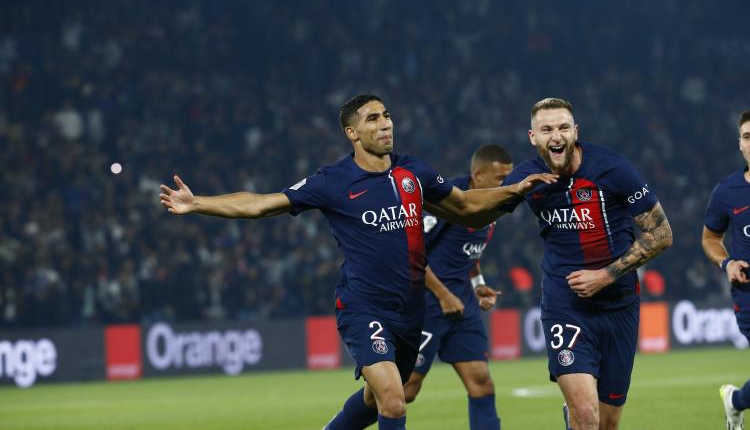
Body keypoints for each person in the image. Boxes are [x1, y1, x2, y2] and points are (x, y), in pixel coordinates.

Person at [159, 94, 557, 430]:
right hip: (363, 306)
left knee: (373, 399)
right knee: (394, 402)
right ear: (352, 133)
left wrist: (516, 192)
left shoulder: (413, 173)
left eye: (386, 116)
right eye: (372, 119)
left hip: (410, 311)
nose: (385, 124)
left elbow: (467, 207)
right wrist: (198, 204)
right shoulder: (332, 181)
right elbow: (262, 203)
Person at [496, 97, 672, 430]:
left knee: (607, 422)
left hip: (620, 304)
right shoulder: (526, 178)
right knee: (587, 415)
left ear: (576, 131)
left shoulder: (613, 168)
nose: (556, 136)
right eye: (546, 129)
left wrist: (605, 276)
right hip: (566, 305)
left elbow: (662, 234)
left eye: (563, 127)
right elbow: (476, 213)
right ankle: (576, 413)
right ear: (532, 136)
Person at [402, 145, 513, 430]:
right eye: (501, 178)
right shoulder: (446, 200)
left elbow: (468, 252)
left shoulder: (493, 204)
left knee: (481, 384)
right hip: (426, 304)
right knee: (405, 391)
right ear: (478, 174)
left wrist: (478, 284)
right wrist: (443, 295)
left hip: (462, 304)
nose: (507, 185)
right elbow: (412, 254)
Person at [701, 109, 750, 430]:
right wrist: (727, 262)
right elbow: (710, 238)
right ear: (740, 144)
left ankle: (735, 401)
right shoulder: (727, 192)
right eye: (747, 137)